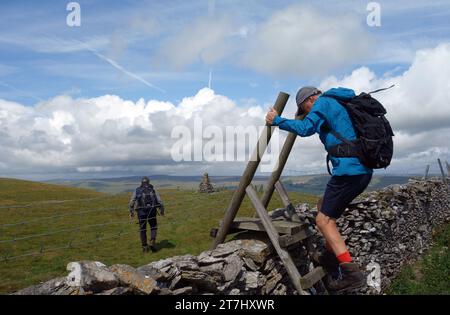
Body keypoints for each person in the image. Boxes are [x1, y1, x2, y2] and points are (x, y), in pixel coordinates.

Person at [266, 86, 373, 293]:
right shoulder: (339, 101)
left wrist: (277, 120)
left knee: (324, 220)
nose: (307, 112)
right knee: (322, 205)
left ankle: (351, 273)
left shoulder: (322, 103)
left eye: (304, 107)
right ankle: (330, 256)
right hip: (361, 170)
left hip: (348, 170)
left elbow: (306, 128)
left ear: (310, 99)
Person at [129, 177, 165, 253]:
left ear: (141, 182)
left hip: (141, 212)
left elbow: (132, 201)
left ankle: (144, 247)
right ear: (149, 182)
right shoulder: (153, 190)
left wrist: (131, 212)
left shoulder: (137, 190)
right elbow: (160, 202)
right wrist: (162, 211)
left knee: (142, 229)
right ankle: (152, 240)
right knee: (153, 227)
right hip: (152, 211)